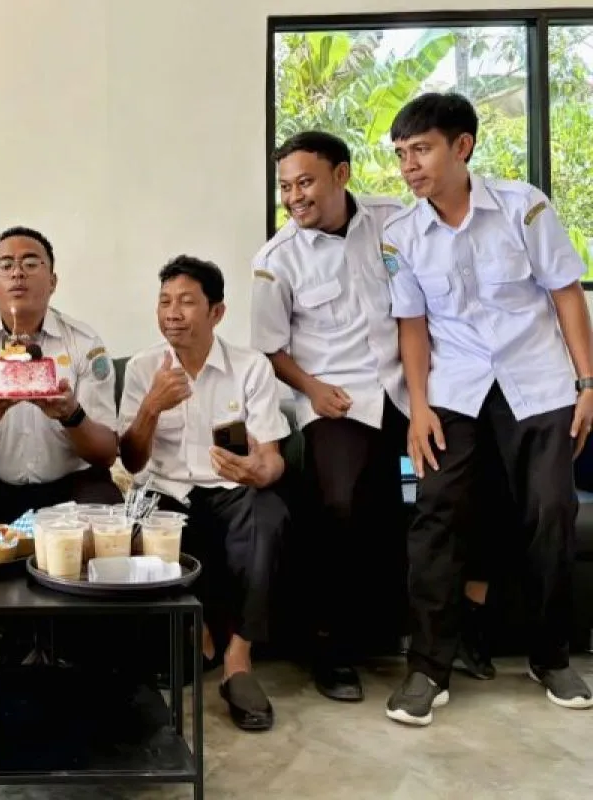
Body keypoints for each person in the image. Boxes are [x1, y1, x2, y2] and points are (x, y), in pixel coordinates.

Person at [383, 92, 593, 726]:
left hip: (538, 382)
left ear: (462, 147)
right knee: (437, 512)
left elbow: (566, 294)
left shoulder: (523, 207)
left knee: (551, 511)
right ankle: (427, 669)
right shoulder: (402, 235)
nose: (409, 166)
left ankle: (550, 657)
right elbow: (412, 326)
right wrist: (419, 408)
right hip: (455, 390)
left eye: (421, 150)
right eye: (401, 154)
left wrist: (587, 383)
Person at [250, 131, 408, 702]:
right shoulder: (276, 261)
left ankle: (449, 636)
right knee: (338, 503)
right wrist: (312, 389)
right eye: (286, 186)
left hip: (406, 387)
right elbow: (270, 349)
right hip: (336, 398)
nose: (294, 197)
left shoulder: (394, 221)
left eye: (305, 182)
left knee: (456, 484)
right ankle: (332, 648)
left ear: (341, 175)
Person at [120, 256, 290, 732]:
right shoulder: (143, 368)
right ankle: (198, 637)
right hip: (165, 490)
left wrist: (258, 470)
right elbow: (131, 461)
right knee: (132, 523)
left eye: (186, 302)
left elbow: (272, 457)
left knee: (269, 515)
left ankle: (238, 659)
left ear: (217, 312)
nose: (172, 313)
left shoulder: (250, 368)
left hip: (231, 489)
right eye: (164, 301)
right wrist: (151, 408)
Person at [0, 226, 122, 523]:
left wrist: (72, 415)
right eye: (6, 265)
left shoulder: (84, 343)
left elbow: (106, 454)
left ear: (53, 282)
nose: (18, 273)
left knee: (109, 514)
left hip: (68, 481)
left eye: (31, 263)